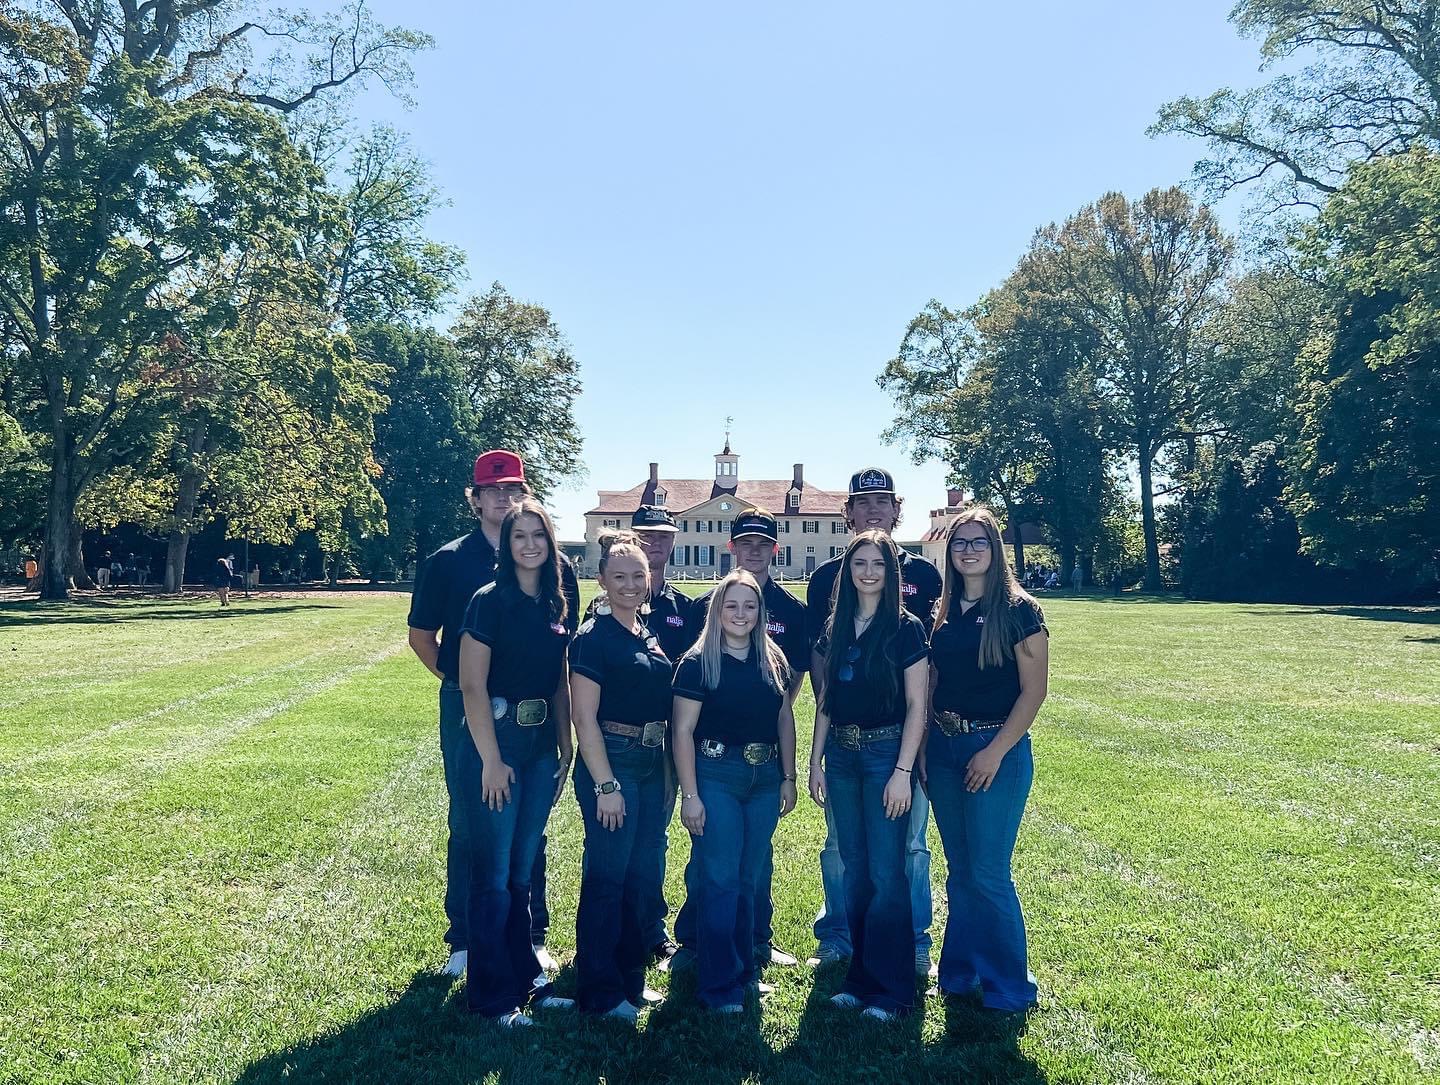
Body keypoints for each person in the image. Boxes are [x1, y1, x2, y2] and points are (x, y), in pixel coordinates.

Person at [407, 450, 580, 980]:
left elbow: (560, 654)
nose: (505, 499)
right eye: (494, 490)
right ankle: (464, 938)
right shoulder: (449, 561)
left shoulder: (558, 571)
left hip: (535, 713)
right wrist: (468, 686)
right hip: (471, 704)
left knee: (531, 823)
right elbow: (421, 638)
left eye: (514, 489)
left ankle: (531, 934)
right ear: (476, 498)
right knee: (471, 819)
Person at [805, 467, 942, 974]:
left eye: (883, 502)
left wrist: (918, 743)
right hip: (845, 736)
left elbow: (930, 660)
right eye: (864, 504)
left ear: (897, 510)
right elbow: (822, 657)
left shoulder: (924, 576)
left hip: (901, 733)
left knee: (908, 844)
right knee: (844, 843)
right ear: (849, 515)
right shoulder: (828, 578)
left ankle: (914, 940)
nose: (874, 511)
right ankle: (841, 932)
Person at [455, 498, 576, 1027]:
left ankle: (525, 977)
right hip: (496, 746)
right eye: (519, 535)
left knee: (523, 870)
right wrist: (489, 760)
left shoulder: (555, 603)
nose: (530, 544)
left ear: (551, 544)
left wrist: (565, 742)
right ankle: (491, 997)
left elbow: (558, 677)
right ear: (506, 545)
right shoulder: (489, 601)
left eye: (539, 536)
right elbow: (472, 685)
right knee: (495, 874)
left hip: (537, 748)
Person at [670, 510, 808, 972]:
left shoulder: (790, 611)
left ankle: (753, 944)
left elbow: (789, 695)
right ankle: (698, 946)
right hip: (715, 761)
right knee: (713, 862)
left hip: (763, 765)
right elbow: (688, 695)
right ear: (731, 547)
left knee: (753, 863)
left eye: (763, 543)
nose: (754, 549)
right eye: (745, 542)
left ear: (776, 549)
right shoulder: (702, 608)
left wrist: (786, 771)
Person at [925, 506, 1048, 1013]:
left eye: (978, 542)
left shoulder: (1019, 610)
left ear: (995, 549)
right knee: (959, 869)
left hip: (995, 749)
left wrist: (995, 752)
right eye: (959, 543)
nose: (968, 551)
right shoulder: (944, 610)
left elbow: (1034, 692)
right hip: (944, 748)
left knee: (990, 872)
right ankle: (959, 972)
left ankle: (1008, 989)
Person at [569, 532, 675, 1021]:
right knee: (608, 878)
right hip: (612, 762)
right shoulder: (593, 637)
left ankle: (632, 979)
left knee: (638, 876)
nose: (632, 584)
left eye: (639, 575)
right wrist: (605, 785)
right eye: (620, 577)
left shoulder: (645, 632)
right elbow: (583, 718)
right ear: (602, 581)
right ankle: (600, 988)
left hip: (653, 764)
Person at [627, 504, 700, 962]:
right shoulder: (606, 603)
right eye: (646, 535)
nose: (655, 543)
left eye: (663, 536)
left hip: (674, 737)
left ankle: (655, 928)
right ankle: (627, 924)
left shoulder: (685, 610)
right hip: (624, 737)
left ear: (674, 541)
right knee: (626, 836)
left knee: (658, 835)